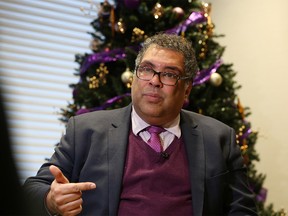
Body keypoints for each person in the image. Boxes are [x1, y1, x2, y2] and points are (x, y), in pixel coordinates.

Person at [23, 33, 258, 215]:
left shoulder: (218, 138)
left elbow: (243, 210)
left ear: (187, 88)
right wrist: (51, 201)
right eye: (146, 70)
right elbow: (32, 190)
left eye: (169, 74)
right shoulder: (85, 131)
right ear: (134, 77)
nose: (154, 81)